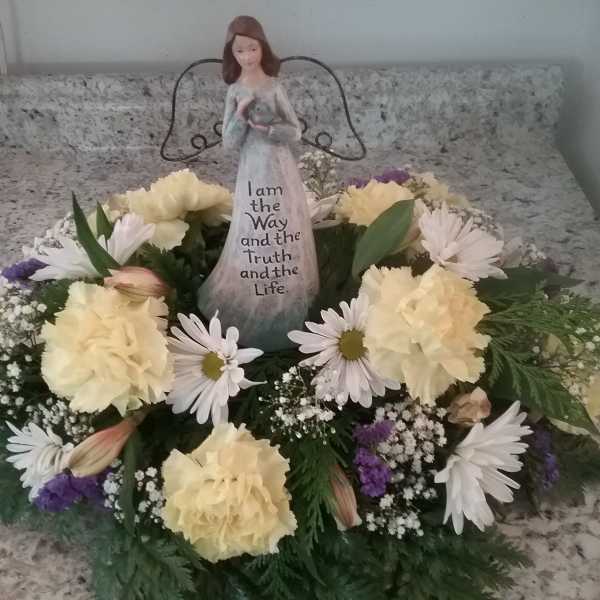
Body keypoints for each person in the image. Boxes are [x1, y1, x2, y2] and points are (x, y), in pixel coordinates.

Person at [197, 16, 319, 351]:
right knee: (255, 223)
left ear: (262, 48)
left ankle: (287, 294)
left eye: (252, 48)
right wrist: (240, 115)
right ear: (231, 53)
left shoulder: (274, 87)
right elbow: (228, 142)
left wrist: (270, 129)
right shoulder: (235, 91)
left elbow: (295, 131)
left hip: (279, 166)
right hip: (252, 168)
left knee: (282, 223)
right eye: (240, 51)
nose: (247, 56)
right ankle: (252, 291)